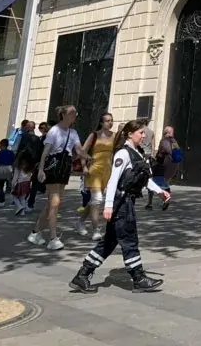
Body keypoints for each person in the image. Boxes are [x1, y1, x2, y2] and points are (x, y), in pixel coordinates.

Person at [69, 119, 170, 294]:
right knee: (130, 240)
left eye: (144, 132)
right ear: (130, 134)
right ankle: (138, 278)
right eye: (141, 132)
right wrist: (108, 206)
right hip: (121, 203)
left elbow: (143, 179)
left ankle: (82, 275)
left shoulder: (136, 153)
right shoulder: (123, 154)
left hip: (127, 201)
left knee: (109, 243)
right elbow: (113, 180)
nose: (144, 135)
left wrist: (160, 191)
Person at [27, 106, 86, 250]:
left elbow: (79, 149)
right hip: (53, 167)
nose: (75, 115)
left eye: (75, 113)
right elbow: (46, 151)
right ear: (64, 115)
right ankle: (53, 238)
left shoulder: (73, 132)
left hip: (64, 168)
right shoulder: (54, 131)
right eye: (72, 113)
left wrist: (89, 157)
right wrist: (41, 169)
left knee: (53, 204)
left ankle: (35, 233)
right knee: (55, 202)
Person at [80, 113, 115, 240]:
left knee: (94, 200)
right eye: (107, 121)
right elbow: (83, 151)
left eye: (111, 121)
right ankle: (96, 229)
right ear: (101, 123)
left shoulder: (114, 136)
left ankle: (80, 222)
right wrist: (84, 166)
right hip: (94, 169)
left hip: (107, 170)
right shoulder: (94, 135)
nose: (110, 123)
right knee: (98, 199)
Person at [146, 126, 179, 210]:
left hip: (162, 166)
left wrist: (155, 158)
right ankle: (166, 199)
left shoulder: (164, 141)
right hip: (172, 167)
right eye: (172, 132)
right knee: (164, 183)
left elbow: (162, 153)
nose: (173, 134)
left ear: (165, 133)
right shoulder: (174, 141)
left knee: (151, 182)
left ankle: (150, 203)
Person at [24, 121, 49, 211]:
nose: (42, 129)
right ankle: (29, 202)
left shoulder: (47, 138)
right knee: (34, 183)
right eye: (41, 128)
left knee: (36, 183)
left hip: (44, 164)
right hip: (39, 163)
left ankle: (29, 202)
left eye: (43, 128)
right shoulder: (40, 138)